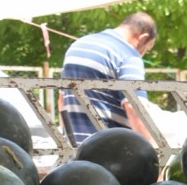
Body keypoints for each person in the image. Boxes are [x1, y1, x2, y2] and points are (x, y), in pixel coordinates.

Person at [61, 12, 158, 143]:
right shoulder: (128, 54)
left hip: (75, 151)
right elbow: (134, 106)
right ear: (143, 37)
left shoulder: (78, 45)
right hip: (108, 151)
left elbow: (62, 100)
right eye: (147, 48)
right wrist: (152, 147)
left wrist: (67, 142)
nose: (143, 54)